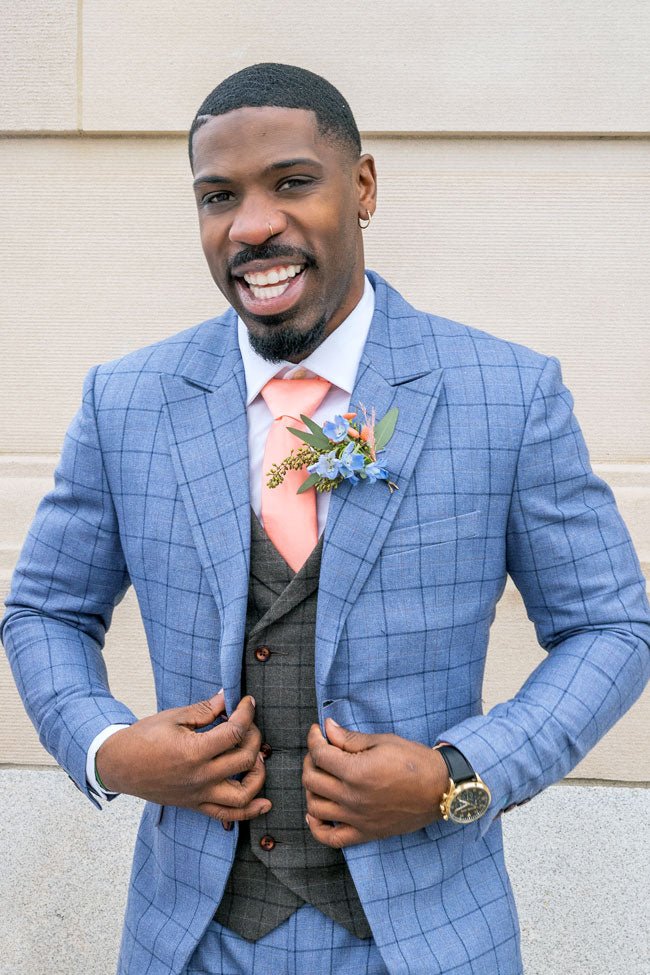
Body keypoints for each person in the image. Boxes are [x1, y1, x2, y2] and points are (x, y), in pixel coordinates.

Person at [2, 62, 649, 975]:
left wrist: (457, 774)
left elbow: (611, 627)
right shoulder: (127, 400)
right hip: (189, 941)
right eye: (219, 196)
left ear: (364, 187)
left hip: (429, 943)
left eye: (292, 182)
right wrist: (108, 748)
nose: (252, 224)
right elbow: (44, 610)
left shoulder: (507, 393)